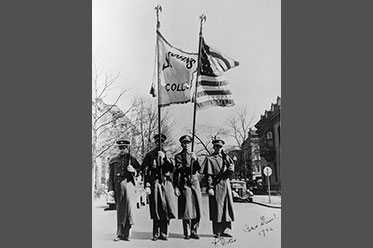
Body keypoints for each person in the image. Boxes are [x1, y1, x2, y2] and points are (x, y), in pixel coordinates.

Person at [140, 134, 177, 241]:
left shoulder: (169, 154)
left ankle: (164, 233)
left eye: (162, 142)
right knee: (156, 208)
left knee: (166, 208)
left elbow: (172, 169)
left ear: (164, 143)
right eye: (157, 142)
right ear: (155, 143)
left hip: (166, 184)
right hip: (155, 183)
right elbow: (145, 171)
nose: (159, 144)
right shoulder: (150, 155)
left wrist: (164, 158)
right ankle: (156, 233)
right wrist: (147, 185)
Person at [200, 139, 235, 238]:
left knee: (227, 208)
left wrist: (231, 169)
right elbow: (208, 175)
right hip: (216, 185)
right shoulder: (209, 159)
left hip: (226, 184)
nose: (219, 148)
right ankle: (217, 231)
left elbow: (231, 169)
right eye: (217, 146)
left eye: (220, 147)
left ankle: (227, 230)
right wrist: (210, 187)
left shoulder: (226, 158)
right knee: (217, 208)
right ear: (214, 147)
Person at [107, 139, 141, 241]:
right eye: (120, 148)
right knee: (120, 211)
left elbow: (140, 171)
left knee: (129, 210)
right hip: (118, 187)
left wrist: (133, 170)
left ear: (127, 148)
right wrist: (110, 189)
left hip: (129, 186)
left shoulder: (132, 159)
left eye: (124, 148)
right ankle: (119, 233)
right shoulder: (114, 160)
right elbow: (111, 176)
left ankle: (127, 234)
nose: (122, 150)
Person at [173, 135, 203, 240]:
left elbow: (200, 170)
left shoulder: (194, 155)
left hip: (194, 182)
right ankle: (186, 232)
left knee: (197, 206)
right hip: (184, 182)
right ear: (181, 144)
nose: (186, 145)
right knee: (186, 207)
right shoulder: (178, 157)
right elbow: (178, 171)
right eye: (184, 143)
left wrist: (196, 159)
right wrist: (176, 187)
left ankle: (194, 231)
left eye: (188, 143)